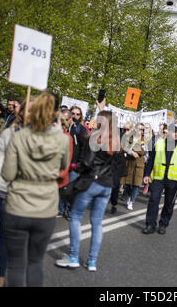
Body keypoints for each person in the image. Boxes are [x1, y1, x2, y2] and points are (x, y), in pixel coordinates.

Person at [1, 92, 70, 287]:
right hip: (46, 208)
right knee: (35, 262)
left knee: (15, 264)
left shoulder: (19, 136)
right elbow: (63, 165)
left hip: (18, 206)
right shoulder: (62, 139)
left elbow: (7, 174)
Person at [56, 102, 122, 272]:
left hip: (92, 182)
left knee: (76, 216)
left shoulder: (96, 138)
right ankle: (92, 261)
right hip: (106, 186)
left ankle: (73, 256)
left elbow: (86, 163)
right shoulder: (115, 142)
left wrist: (74, 167)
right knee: (97, 223)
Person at [0, 97, 35, 287]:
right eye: (27, 110)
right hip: (5, 193)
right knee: (4, 238)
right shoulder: (9, 133)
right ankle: (0, 276)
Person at [142, 124, 177, 235]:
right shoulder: (159, 143)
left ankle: (163, 224)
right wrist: (146, 174)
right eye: (173, 131)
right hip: (158, 177)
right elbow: (151, 161)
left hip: (174, 179)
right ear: (168, 132)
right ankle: (150, 224)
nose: (175, 134)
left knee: (169, 203)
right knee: (153, 200)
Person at [122, 123, 145, 211]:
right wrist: (131, 152)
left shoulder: (145, 140)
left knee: (136, 185)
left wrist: (133, 148)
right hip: (129, 163)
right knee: (127, 184)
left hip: (139, 165)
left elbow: (143, 151)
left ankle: (131, 201)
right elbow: (124, 147)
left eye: (142, 129)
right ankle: (127, 195)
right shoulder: (129, 138)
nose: (141, 131)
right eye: (139, 129)